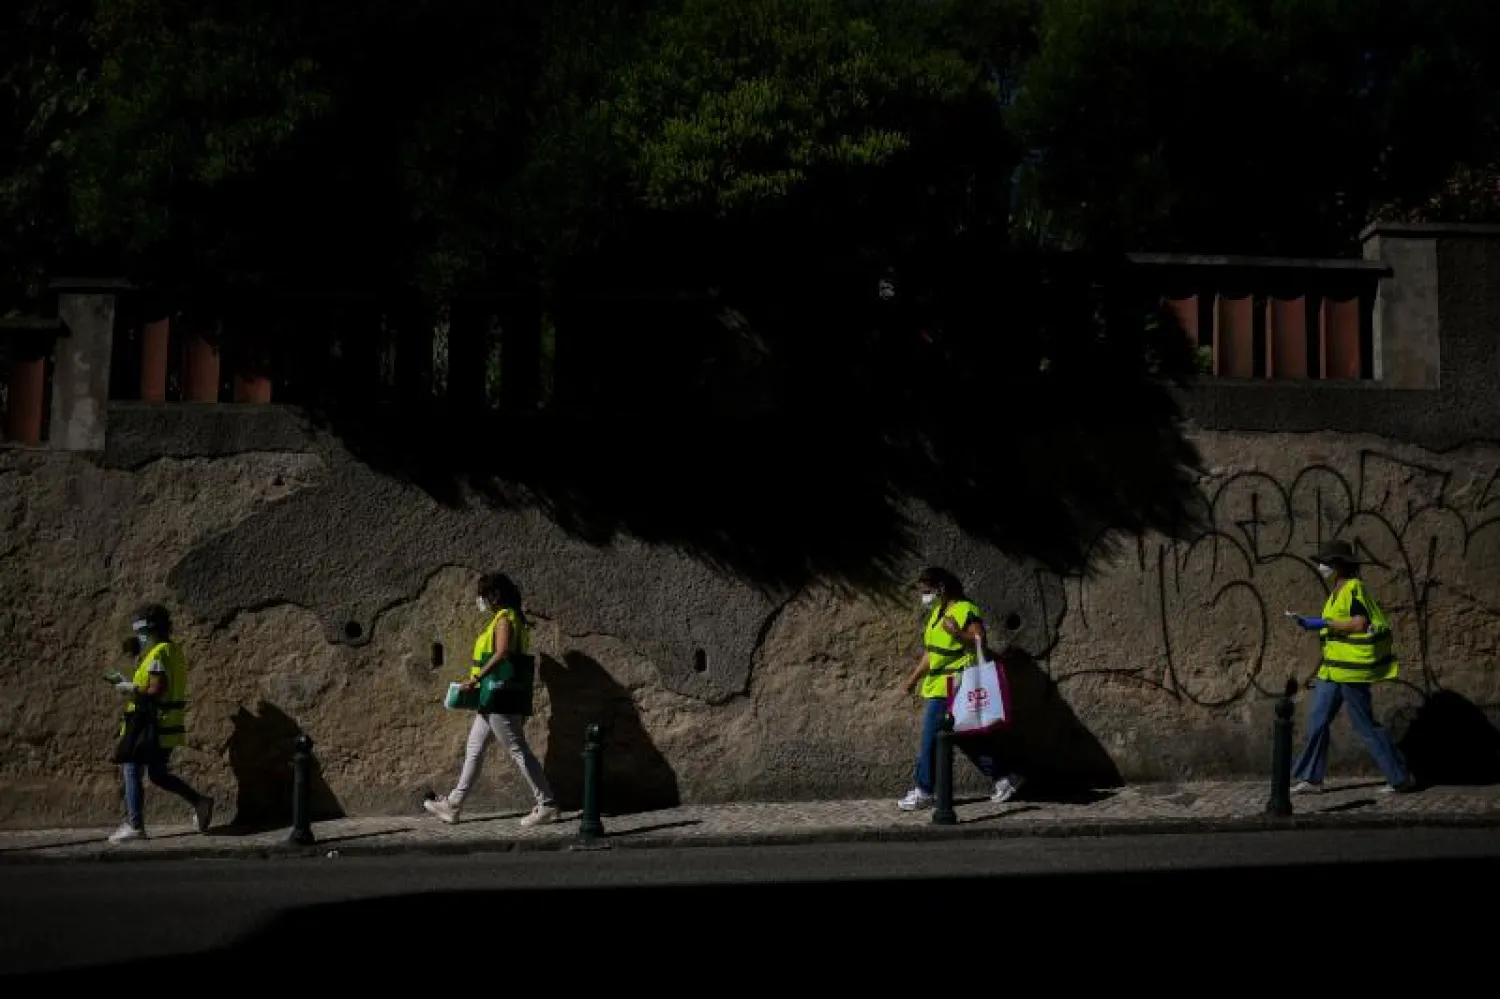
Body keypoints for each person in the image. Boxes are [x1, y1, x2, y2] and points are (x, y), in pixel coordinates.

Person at [424, 572, 559, 827]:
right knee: (474, 748)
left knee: (518, 749)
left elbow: (502, 653)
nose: (480, 600)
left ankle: (547, 804)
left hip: (499, 694)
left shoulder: (504, 619)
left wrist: (475, 681)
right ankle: (453, 805)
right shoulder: (508, 618)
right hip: (494, 694)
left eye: (482, 595)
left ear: (495, 595)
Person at [1287, 539, 1417, 794]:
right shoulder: (1336, 590)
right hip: (1333, 669)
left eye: (1325, 562)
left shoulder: (1354, 588)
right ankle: (1312, 778)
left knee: (1365, 725)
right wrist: (1314, 623)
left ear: (1337, 564)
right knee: (1318, 720)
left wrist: (1320, 623)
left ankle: (1400, 778)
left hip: (1351, 670)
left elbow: (1359, 623)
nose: (1321, 567)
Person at [897, 566, 1024, 811]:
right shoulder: (938, 612)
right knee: (965, 737)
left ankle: (924, 790)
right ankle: (1005, 778)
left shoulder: (965, 610)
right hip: (937, 684)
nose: (925, 596)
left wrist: (957, 633)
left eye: (927, 590)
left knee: (931, 738)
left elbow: (979, 640)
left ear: (941, 588)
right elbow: (932, 653)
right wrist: (913, 680)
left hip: (953, 684)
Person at [108, 604, 214, 844]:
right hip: (165, 725)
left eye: (140, 630)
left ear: (148, 628)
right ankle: (200, 801)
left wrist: (131, 688)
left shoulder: (158, 653)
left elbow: (157, 689)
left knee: (132, 767)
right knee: (157, 774)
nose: (138, 636)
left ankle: (135, 825)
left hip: (150, 725)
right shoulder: (171, 651)